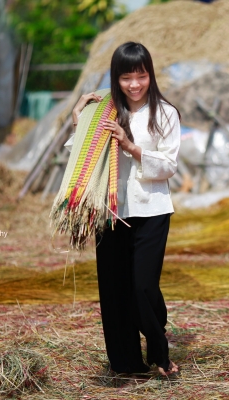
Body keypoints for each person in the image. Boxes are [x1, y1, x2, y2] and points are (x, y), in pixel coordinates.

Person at [65, 42, 181, 377]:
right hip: (110, 209)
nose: (134, 84)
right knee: (114, 289)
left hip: (151, 209)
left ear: (150, 75)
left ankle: (161, 354)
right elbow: (82, 157)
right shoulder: (104, 109)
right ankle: (126, 364)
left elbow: (170, 164)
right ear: (116, 78)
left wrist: (130, 147)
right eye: (126, 77)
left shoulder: (165, 113)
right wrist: (79, 123)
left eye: (141, 76)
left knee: (143, 287)